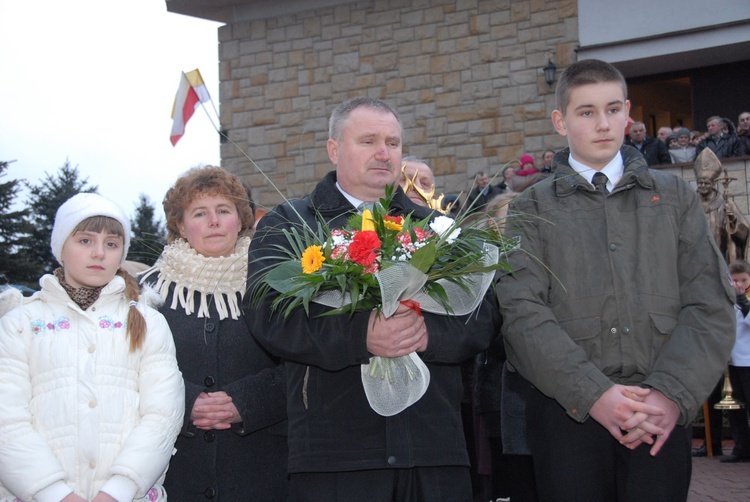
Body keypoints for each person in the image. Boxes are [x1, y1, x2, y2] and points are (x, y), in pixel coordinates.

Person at [496, 59, 735, 500]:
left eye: (611, 109)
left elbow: (709, 303)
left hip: (657, 413)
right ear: (560, 121)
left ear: (628, 113)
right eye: (586, 112)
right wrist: (597, 395)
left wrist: (668, 395)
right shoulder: (532, 209)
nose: (602, 123)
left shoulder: (676, 198)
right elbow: (522, 315)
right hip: (569, 415)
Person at [246, 97, 501, 501]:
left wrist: (425, 333)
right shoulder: (291, 223)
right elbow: (268, 315)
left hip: (433, 448)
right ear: (334, 149)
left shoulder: (439, 228)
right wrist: (360, 335)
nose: (384, 153)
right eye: (368, 140)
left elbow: (484, 317)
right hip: (334, 454)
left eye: (393, 143)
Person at [0, 193, 185, 502]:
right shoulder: (19, 323)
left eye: (111, 244)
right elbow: (6, 420)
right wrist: (54, 493)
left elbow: (162, 415)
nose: (99, 253)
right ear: (61, 247)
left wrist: (118, 490)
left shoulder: (148, 321)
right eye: (85, 241)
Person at [139, 166, 288, 501]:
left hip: (264, 470)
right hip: (176, 473)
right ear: (180, 225)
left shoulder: (277, 282)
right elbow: (127, 370)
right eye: (200, 213)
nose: (214, 221)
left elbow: (302, 365)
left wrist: (246, 403)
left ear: (242, 219)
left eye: (224, 210)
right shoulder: (148, 291)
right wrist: (186, 401)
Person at [693, 148, 750, 263]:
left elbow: (744, 229)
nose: (703, 185)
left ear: (713, 184)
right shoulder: (690, 203)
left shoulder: (725, 203)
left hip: (720, 255)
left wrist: (732, 220)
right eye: (700, 183)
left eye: (707, 183)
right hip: (695, 256)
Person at [724, 259, 750, 463]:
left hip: (748, 361)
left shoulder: (745, 299)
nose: (739, 284)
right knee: (736, 408)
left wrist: (743, 300)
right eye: (735, 280)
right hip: (733, 362)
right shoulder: (728, 299)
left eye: (743, 280)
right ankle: (741, 448)